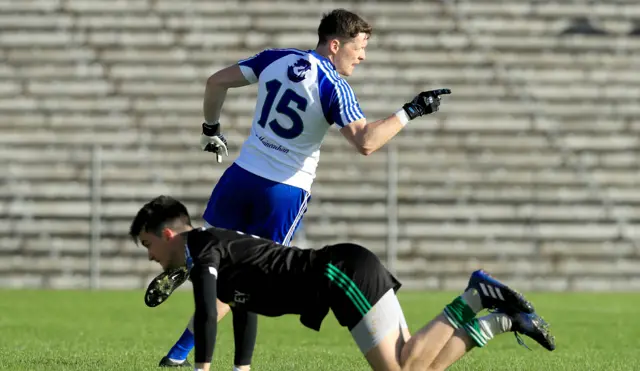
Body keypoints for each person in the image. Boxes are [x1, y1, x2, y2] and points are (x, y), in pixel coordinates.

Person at [162, 7, 452, 368]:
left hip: (240, 177)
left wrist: (211, 129)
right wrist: (411, 110)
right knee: (246, 280)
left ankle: (182, 304)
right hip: (282, 191)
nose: (362, 56)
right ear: (334, 44)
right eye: (358, 47)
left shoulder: (276, 58)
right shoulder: (333, 86)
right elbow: (366, 142)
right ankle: (195, 358)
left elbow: (215, 81)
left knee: (211, 258)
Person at [133, 196, 555, 371]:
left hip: (340, 272)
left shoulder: (205, 244)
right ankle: (504, 322)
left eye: (148, 244)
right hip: (345, 269)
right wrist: (241, 367)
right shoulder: (214, 254)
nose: (149, 256)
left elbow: (208, 313)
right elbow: (243, 307)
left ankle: (477, 293)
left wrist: (202, 369)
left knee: (404, 367)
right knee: (417, 367)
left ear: (168, 234)